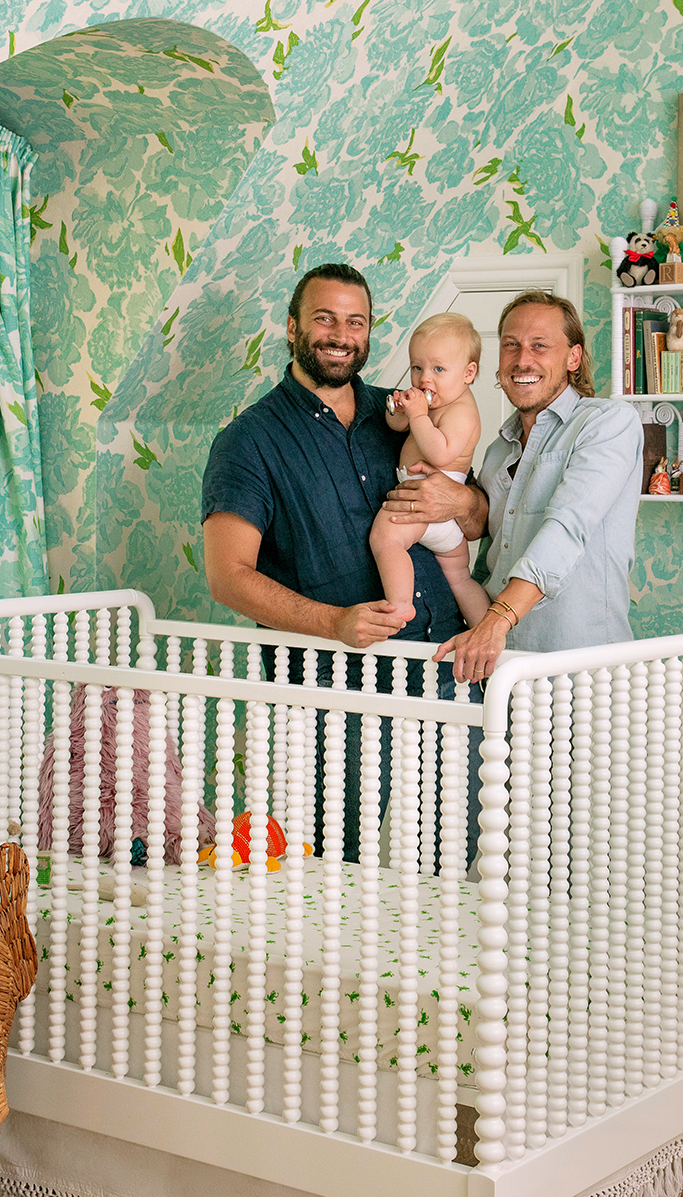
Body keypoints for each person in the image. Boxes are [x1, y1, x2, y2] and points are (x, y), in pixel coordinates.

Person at [201, 263, 470, 861]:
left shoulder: (404, 411)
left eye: (356, 321)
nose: (340, 334)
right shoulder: (249, 440)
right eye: (324, 318)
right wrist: (334, 624)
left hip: (446, 663)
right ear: (293, 326)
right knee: (336, 861)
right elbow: (227, 576)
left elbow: (472, 516)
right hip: (331, 683)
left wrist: (462, 499)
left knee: (459, 857)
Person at [385, 289, 644, 687]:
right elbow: (480, 530)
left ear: (573, 357)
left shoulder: (608, 424)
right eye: (511, 346)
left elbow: (566, 528)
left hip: (581, 668)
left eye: (540, 346)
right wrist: (451, 498)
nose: (523, 360)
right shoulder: (495, 448)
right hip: (498, 666)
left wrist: (497, 620)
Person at [369, 313, 489, 628]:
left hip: (433, 505)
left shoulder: (462, 411)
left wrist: (419, 415)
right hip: (435, 515)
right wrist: (398, 409)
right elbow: (397, 425)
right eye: (417, 368)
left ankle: (400, 605)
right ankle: (485, 633)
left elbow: (440, 451)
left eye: (438, 369)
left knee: (385, 538)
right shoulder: (431, 403)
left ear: (468, 372)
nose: (425, 379)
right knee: (459, 579)